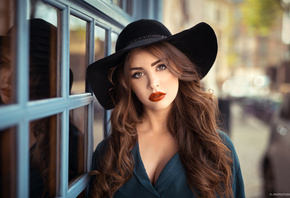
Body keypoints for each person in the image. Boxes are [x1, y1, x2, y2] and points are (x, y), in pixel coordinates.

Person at [87, 19, 245, 198]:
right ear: (127, 84)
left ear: (178, 67)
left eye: (161, 67)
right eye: (138, 74)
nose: (153, 84)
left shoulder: (219, 149)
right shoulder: (108, 152)